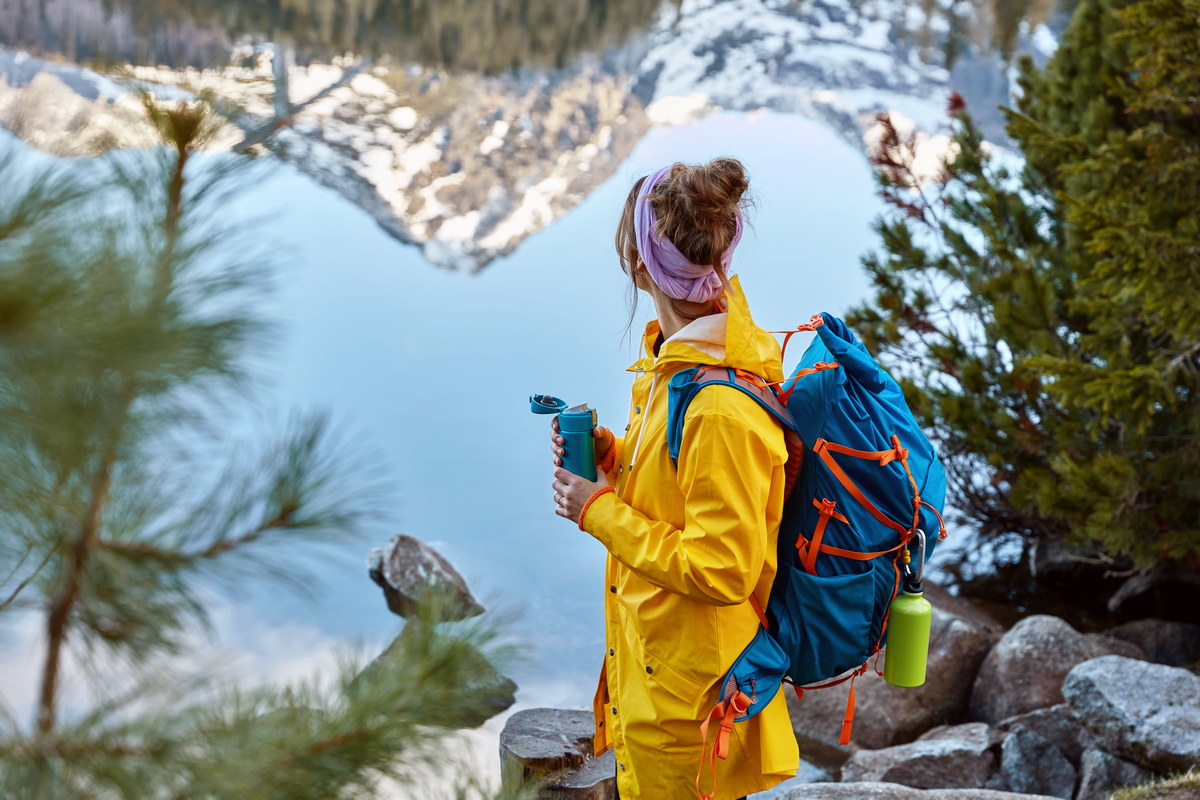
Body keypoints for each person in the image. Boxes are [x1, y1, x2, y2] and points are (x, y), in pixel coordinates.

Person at [549, 158, 799, 799]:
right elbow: (683, 486)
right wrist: (614, 456)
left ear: (639, 265)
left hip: (691, 706)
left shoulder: (717, 405)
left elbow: (722, 569)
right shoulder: (681, 362)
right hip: (661, 669)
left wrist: (599, 510)